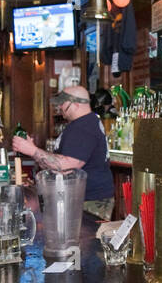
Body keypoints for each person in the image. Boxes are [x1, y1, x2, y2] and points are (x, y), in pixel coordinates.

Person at [11, 85, 115, 220]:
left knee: (87, 239)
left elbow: (67, 166)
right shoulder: (81, 124)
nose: (59, 107)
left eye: (62, 103)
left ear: (76, 104)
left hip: (90, 201)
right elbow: (57, 162)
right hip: (82, 198)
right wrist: (34, 151)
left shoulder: (84, 127)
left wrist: (32, 150)